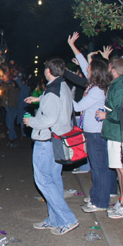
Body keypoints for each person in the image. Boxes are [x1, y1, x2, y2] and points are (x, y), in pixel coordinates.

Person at [24, 58, 79, 235]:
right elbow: (58, 103)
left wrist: (30, 121)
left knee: (43, 180)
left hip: (46, 141)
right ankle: (55, 219)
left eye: (45, 68)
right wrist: (39, 98)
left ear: (49, 71)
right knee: (54, 179)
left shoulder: (52, 91)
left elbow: (49, 118)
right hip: (58, 139)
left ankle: (68, 219)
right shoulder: (62, 86)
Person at [67, 33, 114, 213]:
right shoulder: (96, 86)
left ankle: (100, 201)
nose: (85, 70)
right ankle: (97, 196)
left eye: (88, 70)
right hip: (94, 131)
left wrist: (67, 97)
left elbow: (78, 107)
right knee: (98, 167)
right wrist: (73, 45)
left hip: (95, 133)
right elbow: (85, 64)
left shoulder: (96, 90)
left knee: (99, 168)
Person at [103, 57, 123, 219]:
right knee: (119, 169)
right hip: (117, 132)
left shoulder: (122, 86)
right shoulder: (118, 84)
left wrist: (106, 115)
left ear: (113, 69)